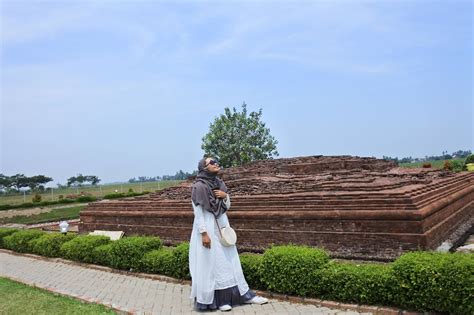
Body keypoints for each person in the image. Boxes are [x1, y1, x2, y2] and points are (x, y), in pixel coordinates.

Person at [189, 157, 268, 312]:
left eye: (217, 161)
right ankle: (220, 300)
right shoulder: (199, 187)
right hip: (209, 229)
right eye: (212, 162)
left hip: (223, 226)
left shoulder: (219, 184)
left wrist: (225, 197)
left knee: (230, 261)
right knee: (214, 263)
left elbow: (227, 206)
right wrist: (204, 233)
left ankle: (244, 295)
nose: (216, 164)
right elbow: (198, 214)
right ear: (203, 168)